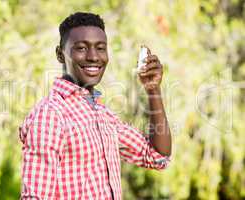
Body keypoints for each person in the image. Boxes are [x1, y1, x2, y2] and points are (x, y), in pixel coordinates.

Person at [19, 12, 171, 200]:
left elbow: (157, 156)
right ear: (60, 54)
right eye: (81, 48)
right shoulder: (51, 115)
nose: (93, 57)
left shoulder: (102, 114)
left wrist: (152, 89)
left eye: (100, 48)